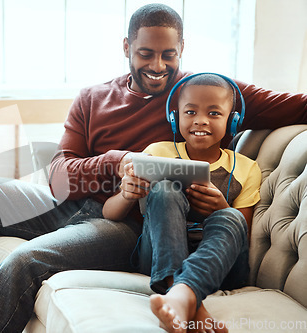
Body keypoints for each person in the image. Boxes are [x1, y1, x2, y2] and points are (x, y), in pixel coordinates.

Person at [0, 4, 307, 333]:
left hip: (124, 223)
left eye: (168, 54)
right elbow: (58, 176)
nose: (157, 65)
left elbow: (296, 104)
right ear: (127, 48)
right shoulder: (92, 97)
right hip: (74, 204)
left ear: (181, 49)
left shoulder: (200, 95)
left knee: (26, 261)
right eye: (145, 54)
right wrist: (118, 161)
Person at [103, 73, 261, 333]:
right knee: (165, 189)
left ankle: (181, 296)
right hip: (159, 260)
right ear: (175, 118)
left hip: (220, 266)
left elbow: (243, 230)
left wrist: (222, 208)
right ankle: (187, 299)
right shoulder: (156, 152)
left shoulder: (246, 168)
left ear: (232, 122)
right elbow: (110, 213)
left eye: (214, 113)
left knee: (231, 217)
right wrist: (126, 194)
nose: (200, 120)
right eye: (190, 112)